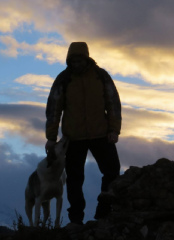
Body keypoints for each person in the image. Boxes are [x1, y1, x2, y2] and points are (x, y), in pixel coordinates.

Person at [45, 42, 121, 225]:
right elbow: (54, 109)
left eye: (80, 60)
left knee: (112, 171)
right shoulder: (63, 79)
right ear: (69, 60)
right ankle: (76, 219)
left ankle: (104, 211)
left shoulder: (100, 76)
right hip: (73, 138)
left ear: (86, 58)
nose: (76, 64)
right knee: (74, 178)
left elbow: (113, 104)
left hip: (101, 134)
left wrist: (113, 130)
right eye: (73, 60)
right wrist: (51, 138)